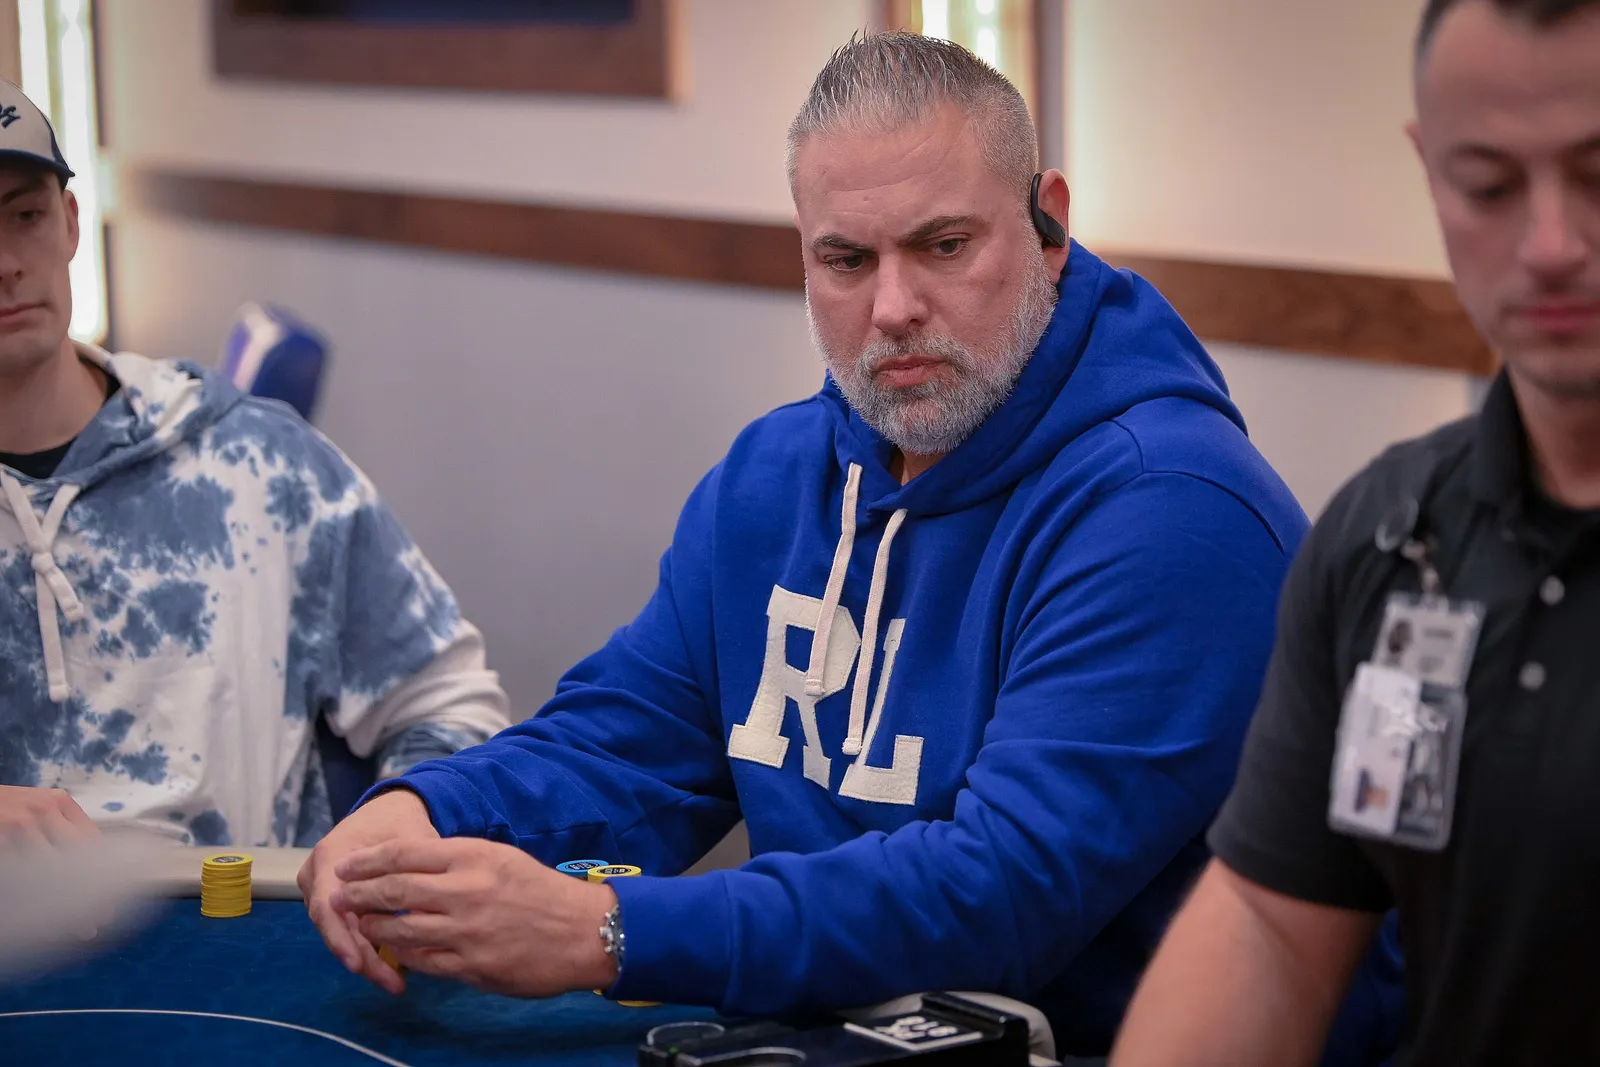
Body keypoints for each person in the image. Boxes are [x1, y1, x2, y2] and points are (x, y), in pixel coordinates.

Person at [298, 33, 1310, 1061]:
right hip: (827, 1037)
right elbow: (629, 741)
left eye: (944, 245)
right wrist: (427, 810)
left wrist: (606, 932)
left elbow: (1000, 893)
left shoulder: (1173, 509)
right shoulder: (773, 475)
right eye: (847, 260)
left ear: (1048, 224)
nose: (894, 309)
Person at [1110, 1, 1600, 1064]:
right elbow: (1276, 924)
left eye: (1599, 174)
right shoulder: (1392, 540)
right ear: (1430, 171)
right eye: (1489, 186)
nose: (1551, 245)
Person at [0, 78, 511, 850]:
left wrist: (394, 836)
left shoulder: (257, 464)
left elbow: (448, 702)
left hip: (243, 918)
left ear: (70, 222)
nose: (7, 262)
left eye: (25, 216)